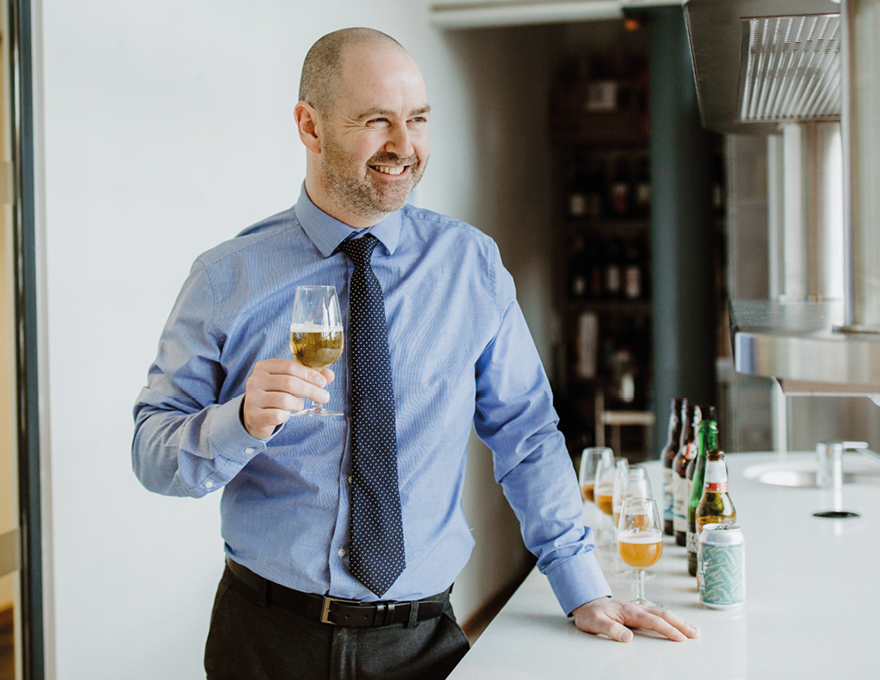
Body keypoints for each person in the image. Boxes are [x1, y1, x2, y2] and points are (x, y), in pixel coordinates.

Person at [132, 27, 699, 680]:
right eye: (378, 121)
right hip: (264, 640)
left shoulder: (471, 265)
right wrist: (238, 422)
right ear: (309, 127)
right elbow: (153, 454)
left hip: (421, 643)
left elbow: (527, 432)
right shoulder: (227, 276)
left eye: (419, 120)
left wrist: (582, 585)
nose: (405, 147)